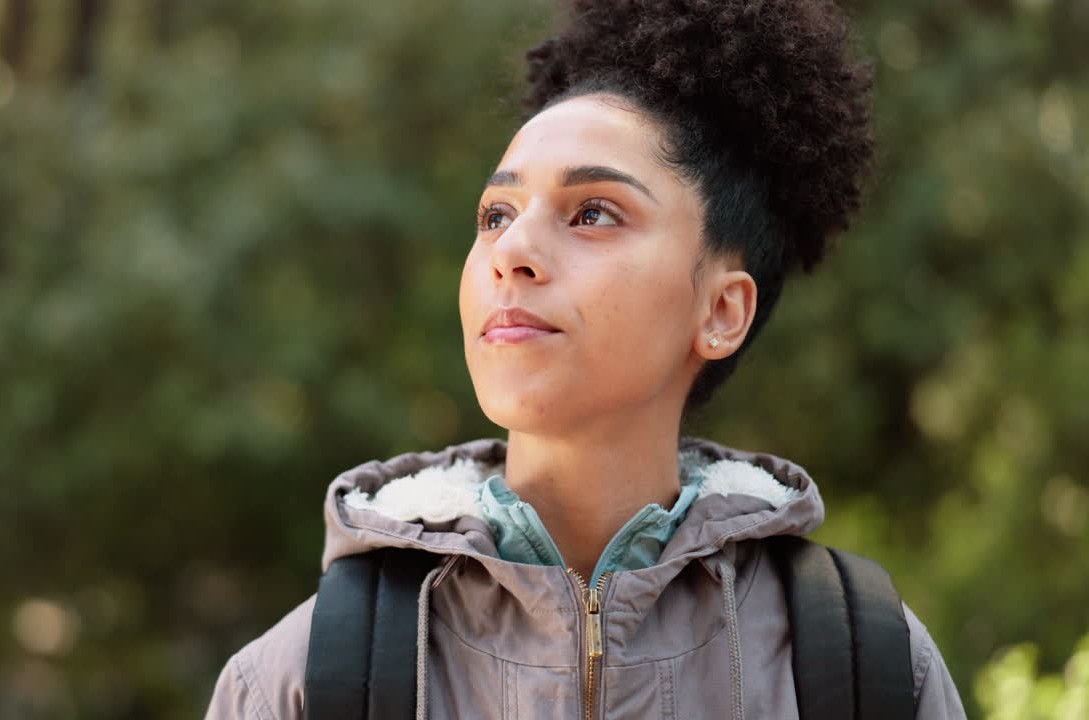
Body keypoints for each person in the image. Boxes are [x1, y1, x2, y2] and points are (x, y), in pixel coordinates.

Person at [204, 0, 967, 717]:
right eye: (496, 214)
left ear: (722, 310)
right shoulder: (298, 680)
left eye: (593, 212)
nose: (514, 251)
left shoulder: (869, 668)